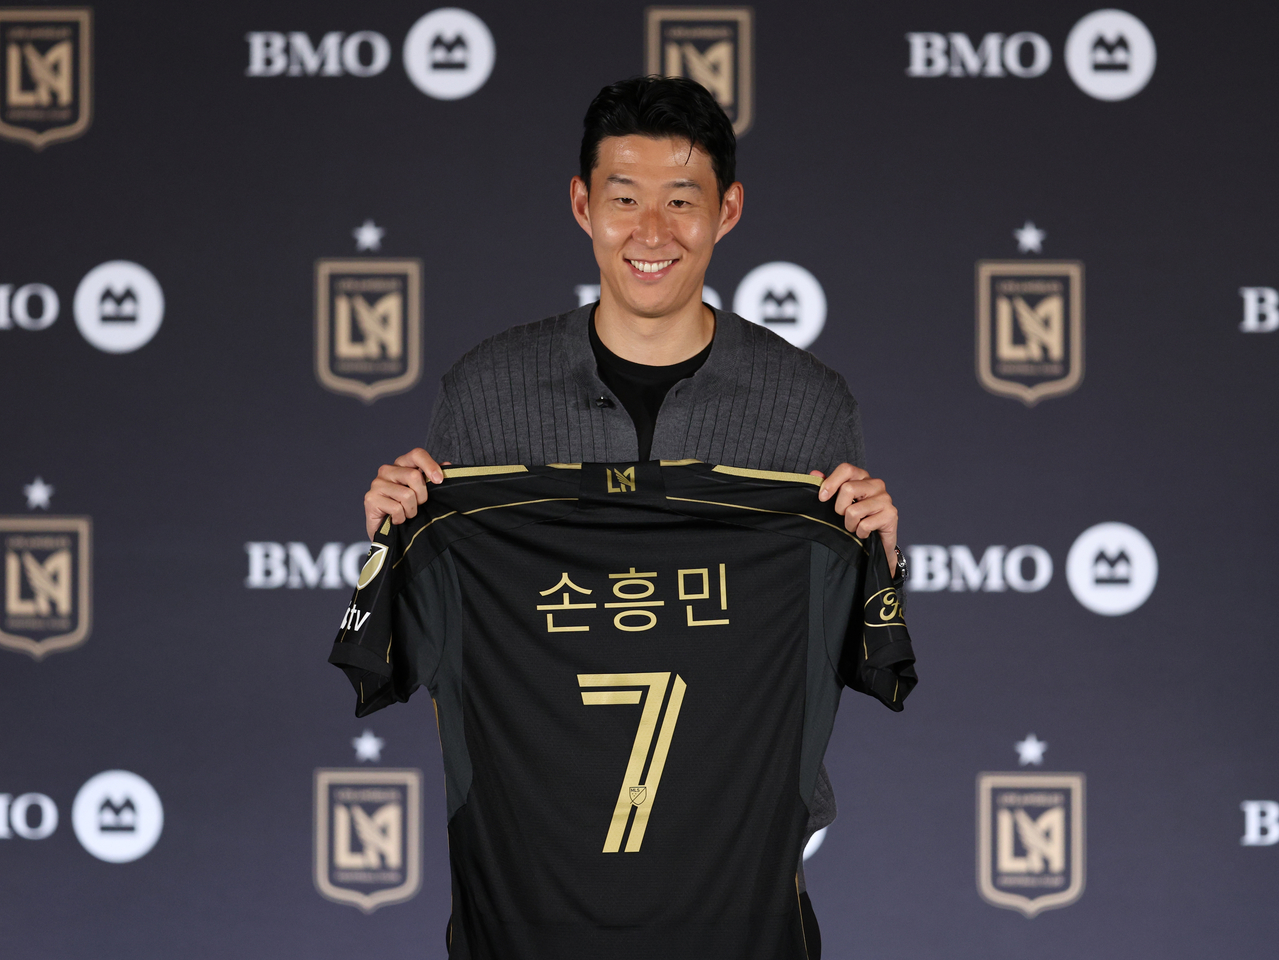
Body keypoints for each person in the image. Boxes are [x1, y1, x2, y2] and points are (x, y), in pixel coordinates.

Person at [361, 75, 901, 955]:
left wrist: (877, 558)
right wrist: (399, 541)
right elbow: (435, 647)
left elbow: (836, 657)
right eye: (624, 200)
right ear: (582, 205)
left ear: (728, 211)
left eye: (681, 201)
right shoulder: (485, 393)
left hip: (738, 874)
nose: (652, 233)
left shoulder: (808, 403)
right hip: (532, 877)